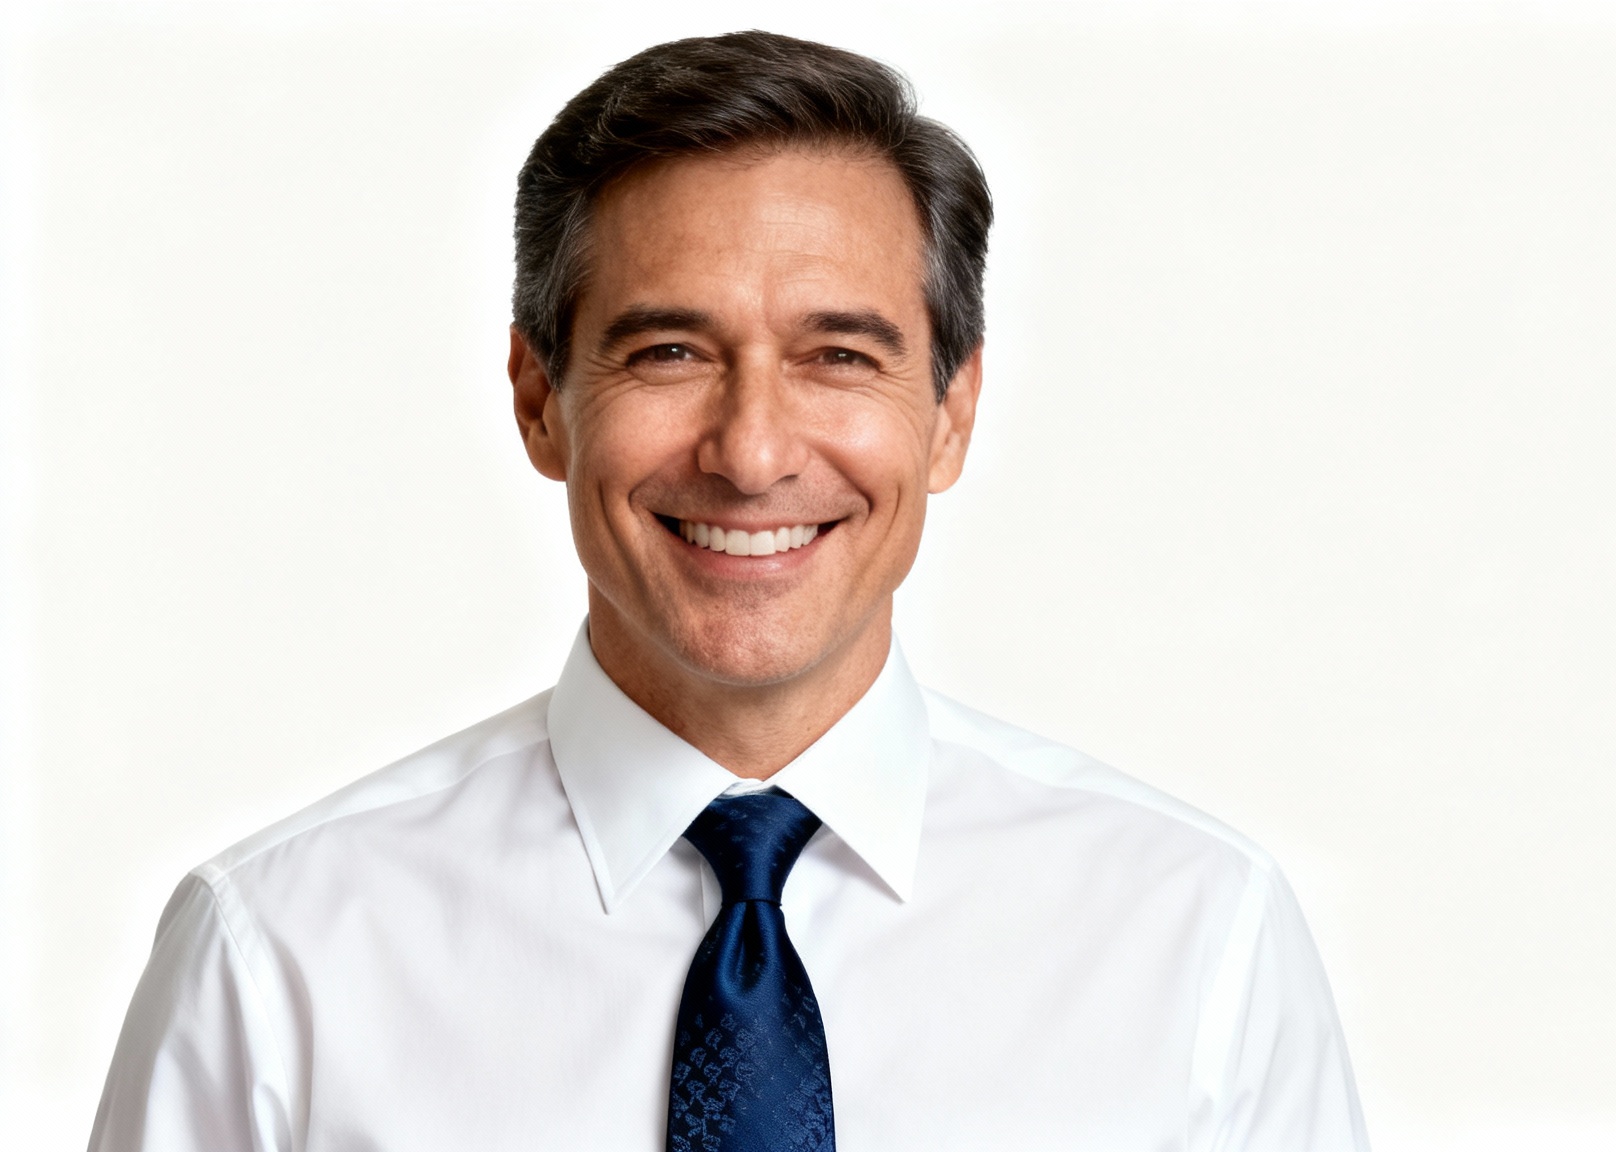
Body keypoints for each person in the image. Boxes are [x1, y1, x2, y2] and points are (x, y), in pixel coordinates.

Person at [88, 30, 1368, 1152]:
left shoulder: (1197, 938)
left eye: (838, 356)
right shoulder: (280, 958)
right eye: (669, 352)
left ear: (948, 416)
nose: (751, 453)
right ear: (542, 403)